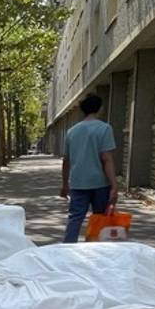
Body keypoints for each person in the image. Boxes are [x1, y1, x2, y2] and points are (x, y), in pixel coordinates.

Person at [60, 94, 117, 242]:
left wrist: (65, 184)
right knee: (99, 218)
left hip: (78, 183)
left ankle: (66, 249)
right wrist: (114, 186)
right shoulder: (104, 129)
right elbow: (107, 158)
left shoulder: (72, 132)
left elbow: (66, 161)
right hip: (100, 183)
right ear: (99, 108)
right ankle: (96, 249)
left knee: (75, 218)